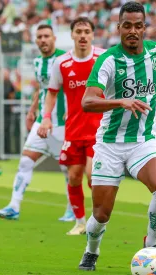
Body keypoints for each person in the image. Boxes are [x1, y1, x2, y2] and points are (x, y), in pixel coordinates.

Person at [77, 2, 156, 271]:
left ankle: (153, 243)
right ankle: (91, 250)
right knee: (101, 214)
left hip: (143, 140)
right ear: (118, 27)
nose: (132, 30)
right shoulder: (108, 60)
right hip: (110, 145)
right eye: (127, 25)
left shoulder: (155, 51)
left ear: (145, 27)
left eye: (138, 25)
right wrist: (121, 101)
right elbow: (87, 102)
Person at [0, 24, 74, 222]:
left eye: (46, 36)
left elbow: (74, 88)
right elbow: (43, 89)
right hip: (41, 121)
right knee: (26, 161)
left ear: (54, 38)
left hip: (62, 124)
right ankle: (14, 206)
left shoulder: (66, 60)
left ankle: (73, 210)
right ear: (36, 40)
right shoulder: (38, 62)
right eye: (39, 36)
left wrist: (72, 112)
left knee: (68, 168)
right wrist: (32, 109)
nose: (43, 40)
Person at [37, 17, 105, 235]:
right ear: (72, 35)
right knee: (74, 176)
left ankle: (97, 221)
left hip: (98, 129)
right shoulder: (62, 63)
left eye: (87, 31)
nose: (83, 35)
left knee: (92, 175)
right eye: (79, 31)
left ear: (92, 35)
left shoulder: (103, 58)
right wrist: (46, 117)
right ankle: (80, 222)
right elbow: (52, 92)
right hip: (74, 129)